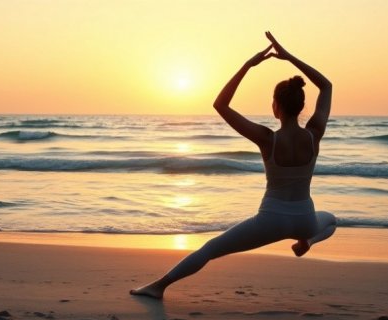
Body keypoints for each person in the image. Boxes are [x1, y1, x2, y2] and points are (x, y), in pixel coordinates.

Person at [130, 32, 337, 299]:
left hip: (270, 220)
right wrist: (288, 57)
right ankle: (306, 242)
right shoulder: (314, 134)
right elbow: (327, 86)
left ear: (276, 107)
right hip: (305, 219)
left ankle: (158, 287)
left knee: (210, 249)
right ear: (300, 106)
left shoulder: (267, 139)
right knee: (331, 220)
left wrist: (248, 65)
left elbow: (220, 104)